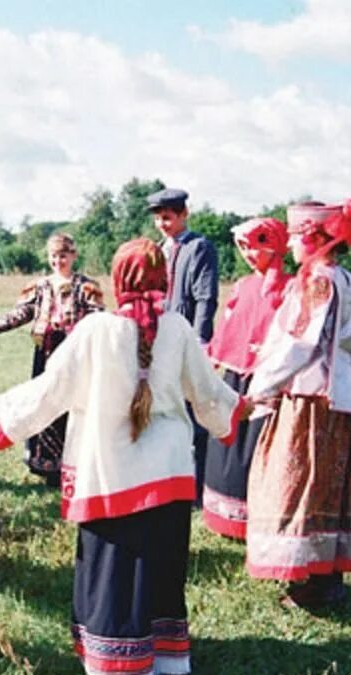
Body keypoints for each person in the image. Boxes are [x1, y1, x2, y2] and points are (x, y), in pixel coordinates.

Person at [0, 238, 249, 675]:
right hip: (169, 472)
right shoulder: (177, 328)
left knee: (114, 573)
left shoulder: (96, 330)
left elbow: (49, 392)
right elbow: (209, 394)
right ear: (166, 281)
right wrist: (243, 408)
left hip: (111, 472)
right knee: (161, 569)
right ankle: (163, 660)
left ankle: (118, 674)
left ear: (117, 282)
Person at [246, 200, 351, 609]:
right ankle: (326, 577)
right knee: (329, 490)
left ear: (316, 240)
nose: (293, 245)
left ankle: (310, 584)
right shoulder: (350, 281)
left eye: (298, 237)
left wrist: (259, 384)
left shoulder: (316, 280)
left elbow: (300, 344)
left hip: (313, 397)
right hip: (346, 396)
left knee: (300, 485)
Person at [0, 233, 103, 487]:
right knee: (44, 400)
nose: (58, 261)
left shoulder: (86, 286)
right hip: (45, 351)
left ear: (73, 256)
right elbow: (22, 313)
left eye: (63, 255)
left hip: (75, 353)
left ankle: (75, 462)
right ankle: (45, 463)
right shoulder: (39, 286)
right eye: (53, 256)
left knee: (73, 403)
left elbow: (98, 319)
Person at [202, 218, 292, 539]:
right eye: (244, 249)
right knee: (228, 440)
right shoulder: (242, 286)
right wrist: (212, 357)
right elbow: (229, 327)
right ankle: (223, 513)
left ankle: (256, 514)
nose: (249, 255)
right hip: (235, 376)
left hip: (267, 381)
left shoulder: (289, 289)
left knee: (257, 446)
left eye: (256, 247)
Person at [147, 188, 219, 505]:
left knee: (194, 411)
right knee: (165, 408)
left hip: (189, 339)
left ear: (183, 214)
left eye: (168, 217)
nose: (163, 224)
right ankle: (168, 479)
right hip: (162, 340)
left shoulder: (199, 248)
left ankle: (198, 485)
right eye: (158, 218)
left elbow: (206, 297)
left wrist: (201, 341)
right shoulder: (158, 250)